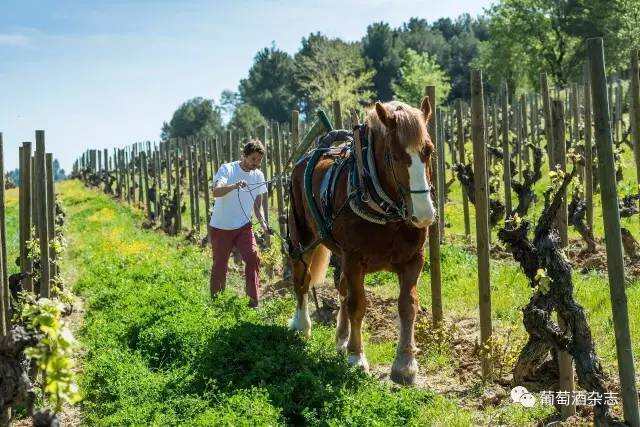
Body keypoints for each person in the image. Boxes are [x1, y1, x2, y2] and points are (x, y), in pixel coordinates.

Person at [208, 140, 269, 307]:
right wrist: (234, 185)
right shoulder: (227, 169)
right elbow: (216, 192)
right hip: (221, 226)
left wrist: (263, 224)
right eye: (253, 159)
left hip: (243, 226)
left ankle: (253, 301)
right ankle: (217, 302)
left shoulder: (259, 175)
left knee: (253, 257)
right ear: (244, 156)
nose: (256, 164)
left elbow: (258, 206)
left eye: (259, 160)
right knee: (220, 265)